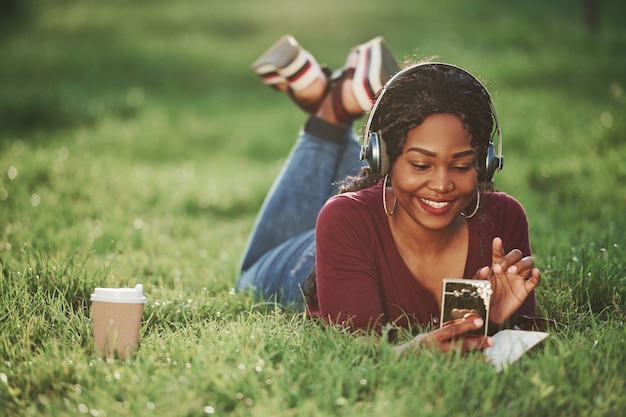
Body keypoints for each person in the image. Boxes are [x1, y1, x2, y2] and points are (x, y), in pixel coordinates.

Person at [237, 35, 541, 354]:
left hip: (368, 219)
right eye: (422, 164)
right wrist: (415, 352)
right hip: (318, 257)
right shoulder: (345, 219)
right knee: (248, 278)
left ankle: (338, 98)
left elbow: (503, 338)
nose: (442, 185)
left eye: (462, 165)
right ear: (383, 161)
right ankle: (331, 111)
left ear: (486, 164)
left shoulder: (503, 219)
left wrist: (498, 320)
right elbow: (360, 351)